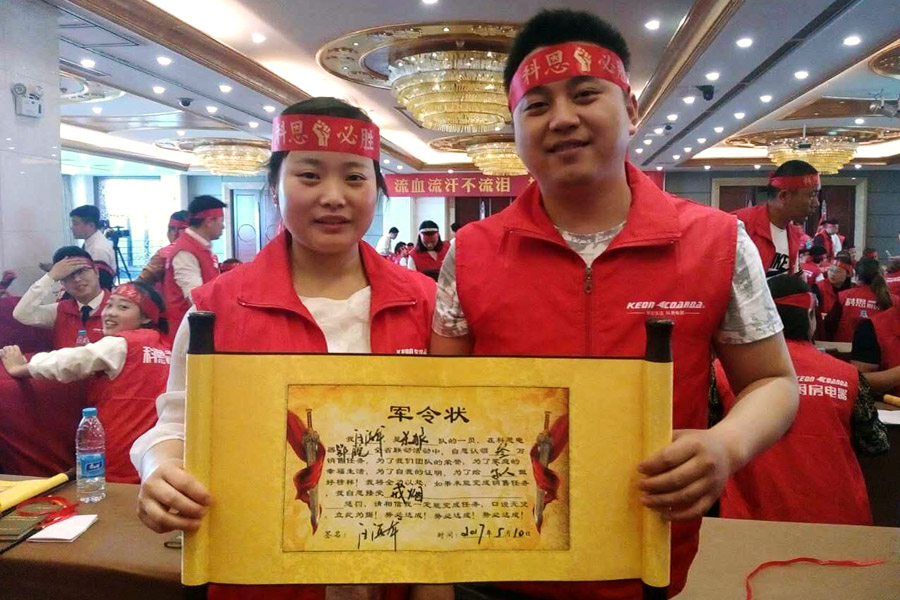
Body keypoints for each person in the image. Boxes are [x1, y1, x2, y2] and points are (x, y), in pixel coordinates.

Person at [430, 9, 798, 599]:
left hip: (644, 557)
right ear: (515, 128)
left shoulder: (716, 241)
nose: (562, 118)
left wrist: (726, 445)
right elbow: (439, 399)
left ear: (630, 109)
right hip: (496, 560)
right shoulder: (470, 251)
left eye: (584, 95)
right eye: (537, 105)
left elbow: (774, 382)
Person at [130, 97, 441, 600]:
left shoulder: (425, 303)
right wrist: (157, 469)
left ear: (377, 189)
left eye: (355, 178)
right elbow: (178, 424)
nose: (334, 197)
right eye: (309, 176)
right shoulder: (216, 308)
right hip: (260, 569)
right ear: (275, 188)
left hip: (393, 567)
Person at [712, 274, 887, 525]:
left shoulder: (721, 373)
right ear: (810, 318)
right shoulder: (847, 376)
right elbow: (875, 443)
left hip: (749, 521)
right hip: (837, 522)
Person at [2, 281, 170, 483]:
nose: (111, 313)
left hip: (120, 445)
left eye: (123, 307)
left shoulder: (122, 343)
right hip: (156, 452)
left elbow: (69, 361)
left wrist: (20, 368)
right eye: (109, 305)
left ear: (146, 317)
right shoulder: (166, 347)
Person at [733, 160, 820, 278]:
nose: (816, 203)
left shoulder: (793, 234)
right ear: (784, 196)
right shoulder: (738, 225)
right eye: (812, 195)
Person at [12, 247, 110, 349]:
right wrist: (50, 277)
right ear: (62, 283)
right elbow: (21, 314)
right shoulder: (60, 310)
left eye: (81, 271)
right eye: (69, 275)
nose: (77, 279)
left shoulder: (116, 308)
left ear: (96, 272)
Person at [161, 196, 225, 342]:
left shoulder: (199, 247)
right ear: (209, 221)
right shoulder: (185, 251)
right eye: (221, 221)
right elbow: (195, 298)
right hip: (191, 331)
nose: (223, 227)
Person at [826, 257, 897, 343]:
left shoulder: (843, 296)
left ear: (857, 276)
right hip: (882, 348)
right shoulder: (894, 301)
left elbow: (830, 325)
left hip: (845, 348)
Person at [136, 210, 190, 291]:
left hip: (171, 298)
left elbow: (140, 283)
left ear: (174, 231)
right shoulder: (204, 251)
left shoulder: (163, 255)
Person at [814, 253, 854, 340]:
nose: (832, 274)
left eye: (838, 271)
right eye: (831, 270)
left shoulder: (853, 291)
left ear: (848, 274)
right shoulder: (818, 287)